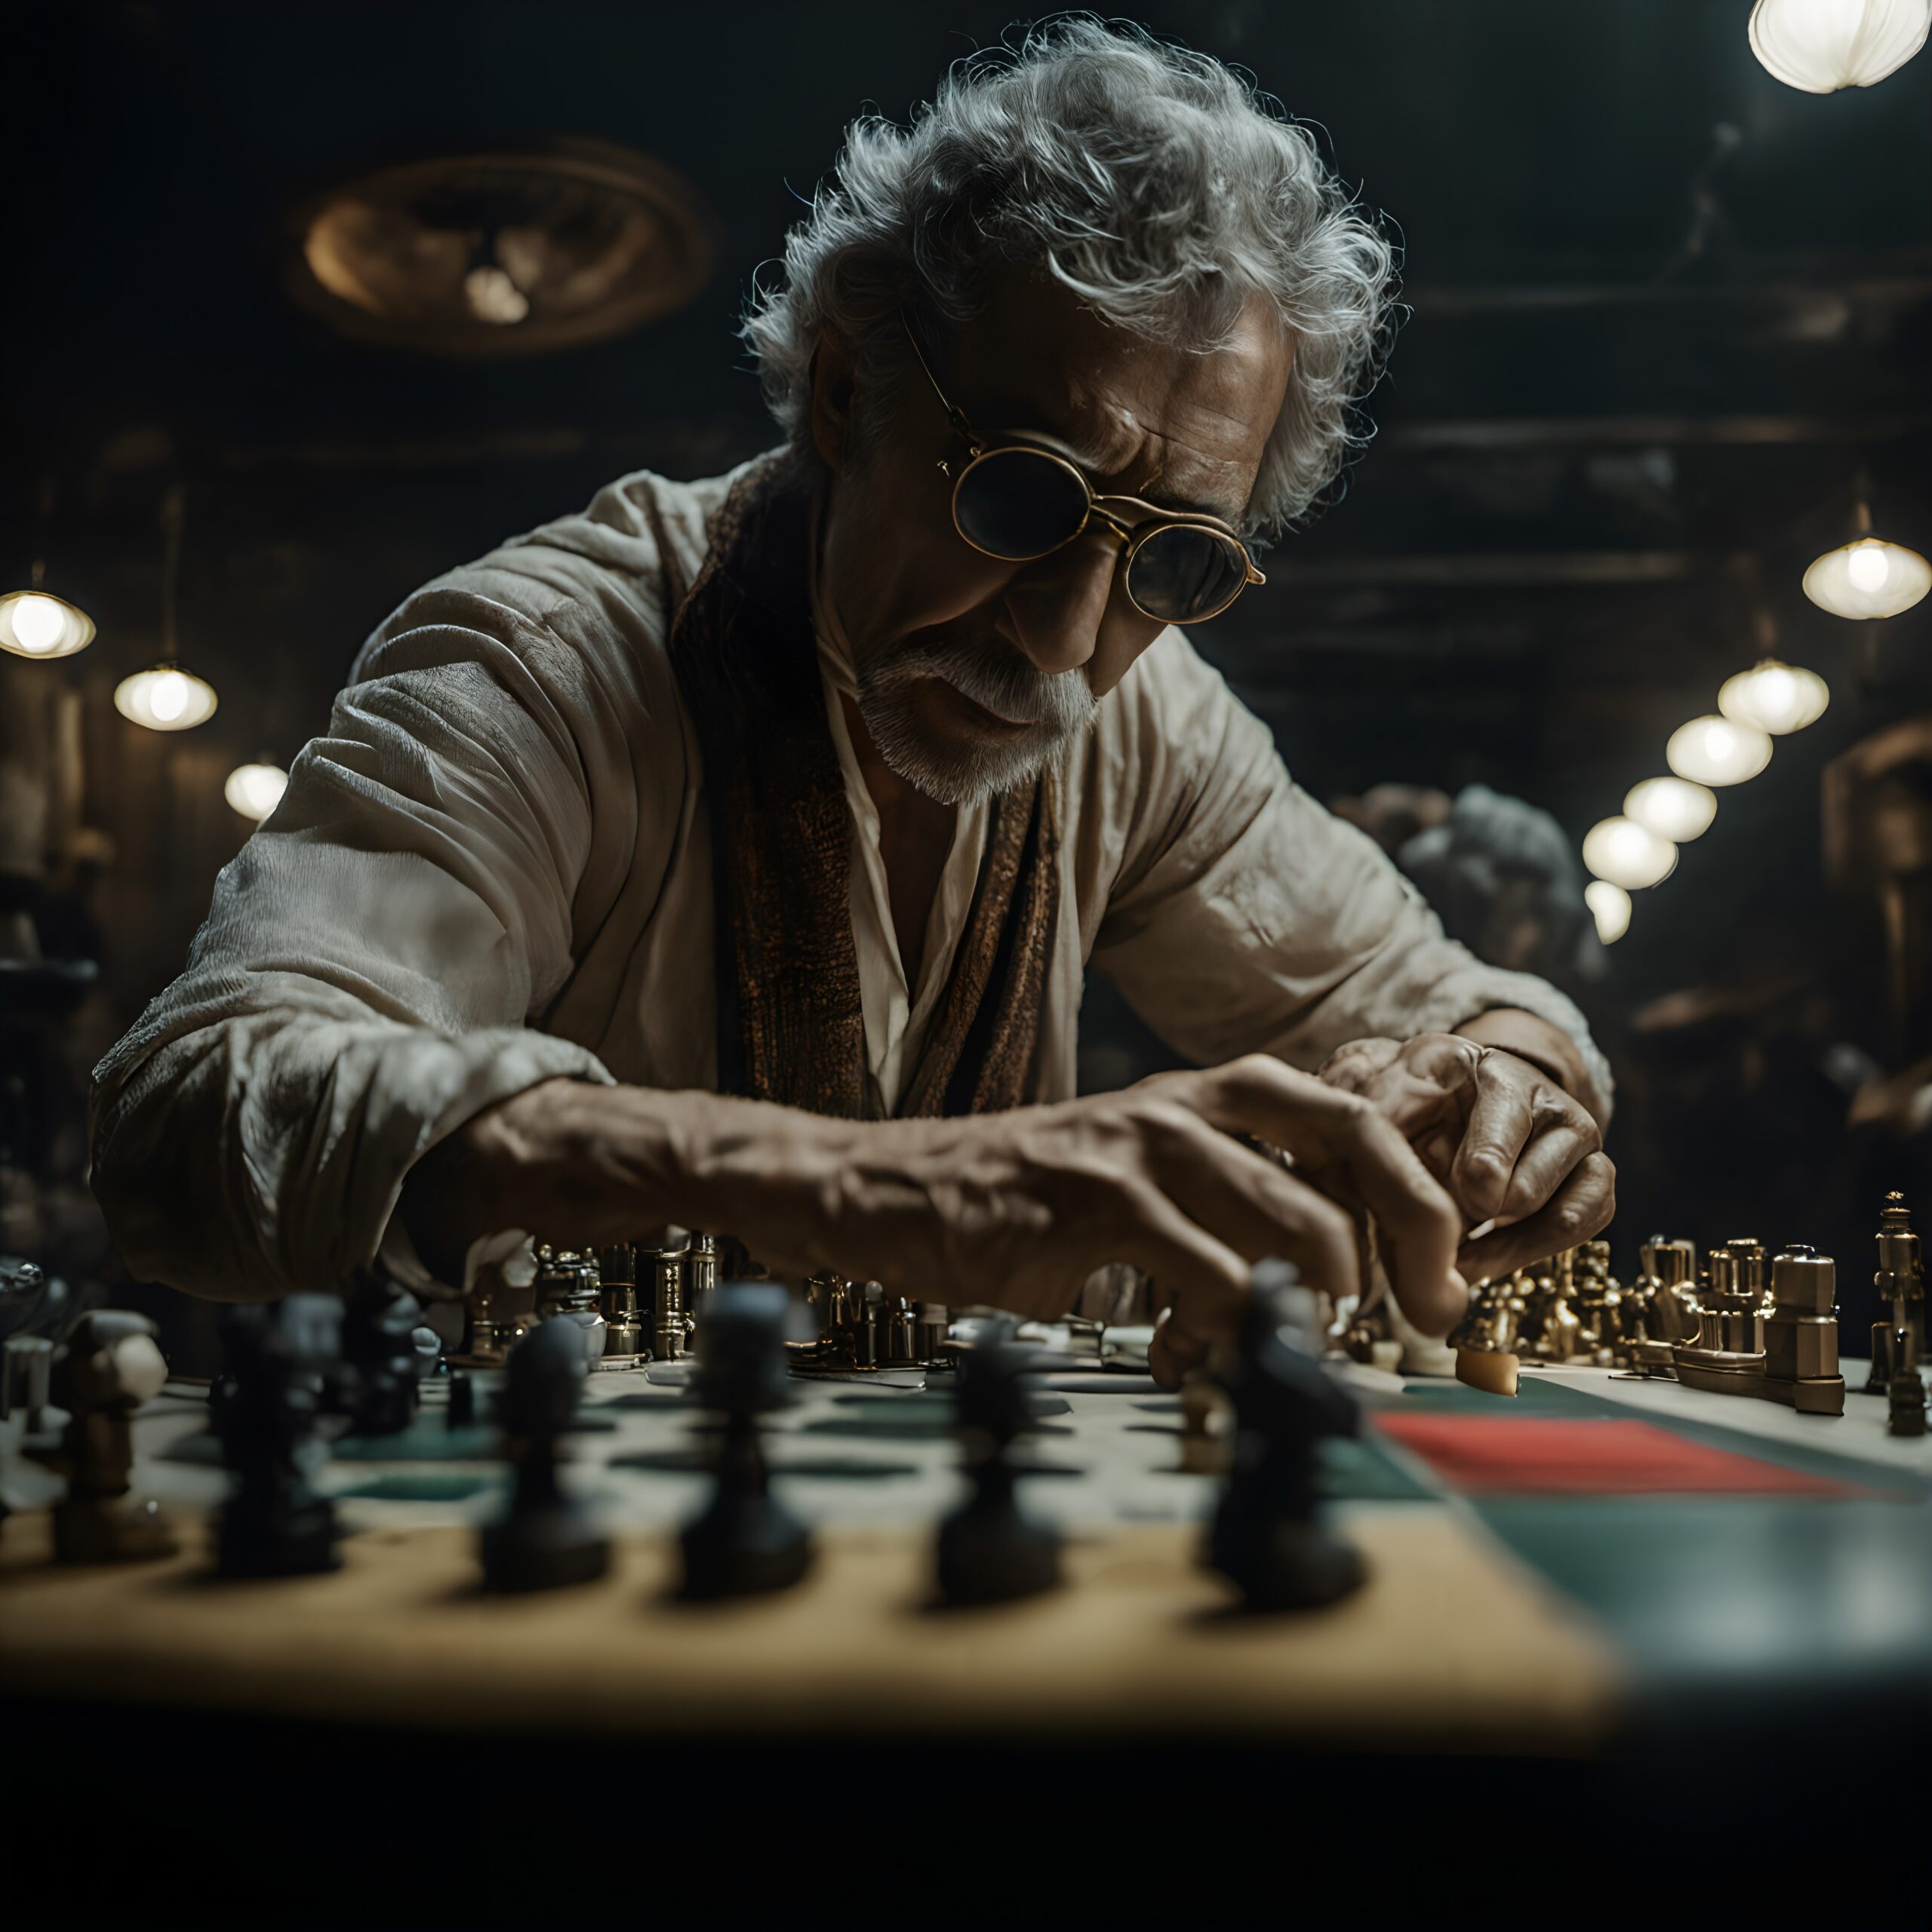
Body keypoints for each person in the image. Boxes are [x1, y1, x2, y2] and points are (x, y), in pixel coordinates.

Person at [89, 23, 1614, 1384]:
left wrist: (1511, 1080)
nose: (1069, 637)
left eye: (1176, 562)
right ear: (843, 389)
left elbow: (1444, 1005)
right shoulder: (548, 659)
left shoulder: (1143, 724)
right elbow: (194, 1106)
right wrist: (875, 1190)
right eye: (1022, 494)